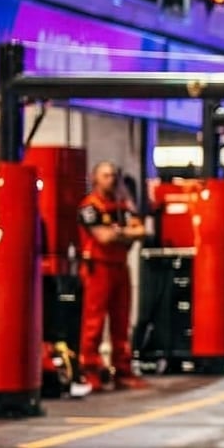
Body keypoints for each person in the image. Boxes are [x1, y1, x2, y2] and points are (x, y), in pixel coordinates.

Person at [77, 160, 148, 391]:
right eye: (106, 175)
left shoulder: (122, 205)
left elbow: (142, 231)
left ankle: (123, 370)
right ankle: (89, 370)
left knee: (121, 322)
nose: (112, 179)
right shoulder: (89, 207)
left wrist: (120, 233)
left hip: (120, 267)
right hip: (97, 269)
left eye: (114, 175)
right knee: (93, 323)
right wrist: (125, 234)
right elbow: (103, 237)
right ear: (95, 178)